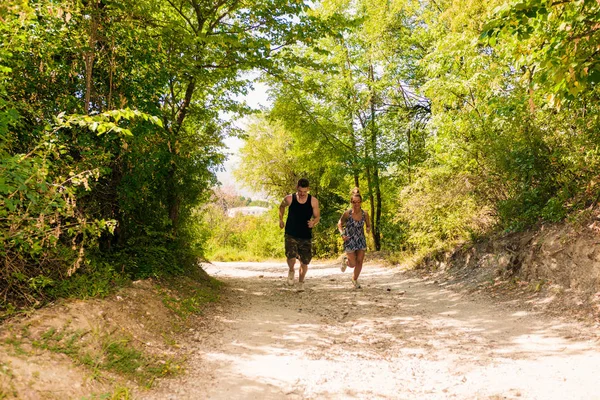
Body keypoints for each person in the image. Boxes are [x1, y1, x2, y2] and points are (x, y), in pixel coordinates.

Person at [279, 178, 320, 292]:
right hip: (291, 232)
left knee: (305, 261)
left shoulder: (313, 201)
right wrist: (281, 219)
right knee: (291, 256)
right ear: (297, 188)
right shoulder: (289, 198)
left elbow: (317, 217)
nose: (302, 194)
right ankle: (291, 270)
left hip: (305, 234)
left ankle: (301, 283)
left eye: (304, 192)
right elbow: (281, 206)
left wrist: (313, 222)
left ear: (308, 189)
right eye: (300, 191)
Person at [337, 188, 371, 289]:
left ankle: (354, 279)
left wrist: (368, 228)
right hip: (349, 239)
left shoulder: (365, 214)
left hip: (360, 239)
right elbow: (339, 224)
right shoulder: (347, 213)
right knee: (352, 264)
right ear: (351, 202)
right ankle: (346, 260)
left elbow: (368, 225)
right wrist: (342, 234)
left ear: (361, 202)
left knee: (360, 261)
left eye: (358, 202)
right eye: (354, 202)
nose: (356, 204)